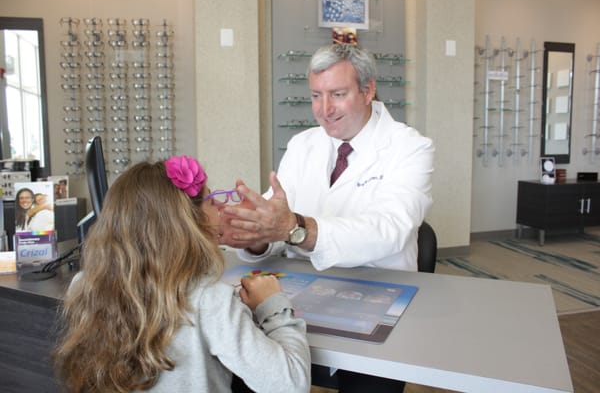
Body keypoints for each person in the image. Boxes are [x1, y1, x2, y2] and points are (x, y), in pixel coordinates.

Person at [219, 43, 434, 393]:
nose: (324, 110)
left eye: (337, 94)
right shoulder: (303, 145)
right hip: (300, 294)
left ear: (368, 90)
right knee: (247, 374)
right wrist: (255, 234)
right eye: (316, 96)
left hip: (376, 296)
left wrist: (297, 229)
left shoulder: (410, 148)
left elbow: (390, 230)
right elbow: (278, 222)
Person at [52, 156, 311, 393]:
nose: (221, 208)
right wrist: (273, 306)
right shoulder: (210, 302)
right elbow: (290, 384)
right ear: (190, 222)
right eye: (212, 201)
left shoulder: (84, 284)